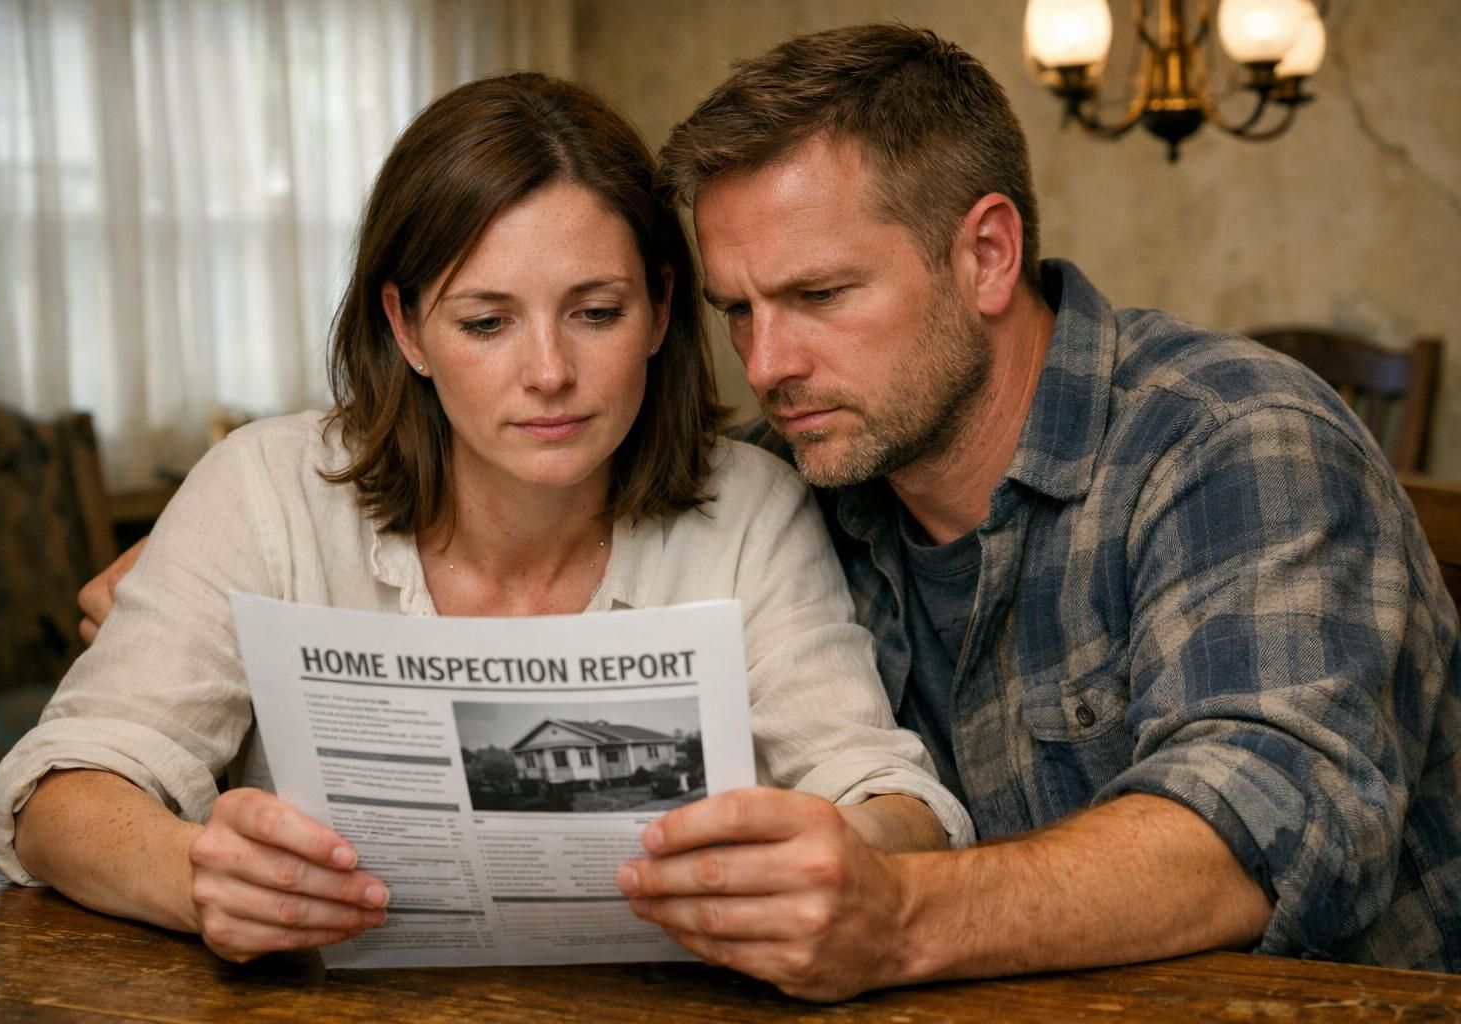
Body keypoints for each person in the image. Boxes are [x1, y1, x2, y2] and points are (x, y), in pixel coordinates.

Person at [0, 72, 970, 965]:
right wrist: (196, 874)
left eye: (595, 311)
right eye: (486, 322)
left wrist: (851, 856)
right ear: (408, 328)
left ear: (662, 311)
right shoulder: (263, 487)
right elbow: (59, 789)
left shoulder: (748, 505)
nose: (548, 372)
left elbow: (883, 791)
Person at [607, 23, 1461, 1000]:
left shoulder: (1233, 432)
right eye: (738, 310)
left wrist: (899, 916)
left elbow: (1265, 823)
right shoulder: (778, 487)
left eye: (820, 294)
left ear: (987, 254)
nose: (766, 367)